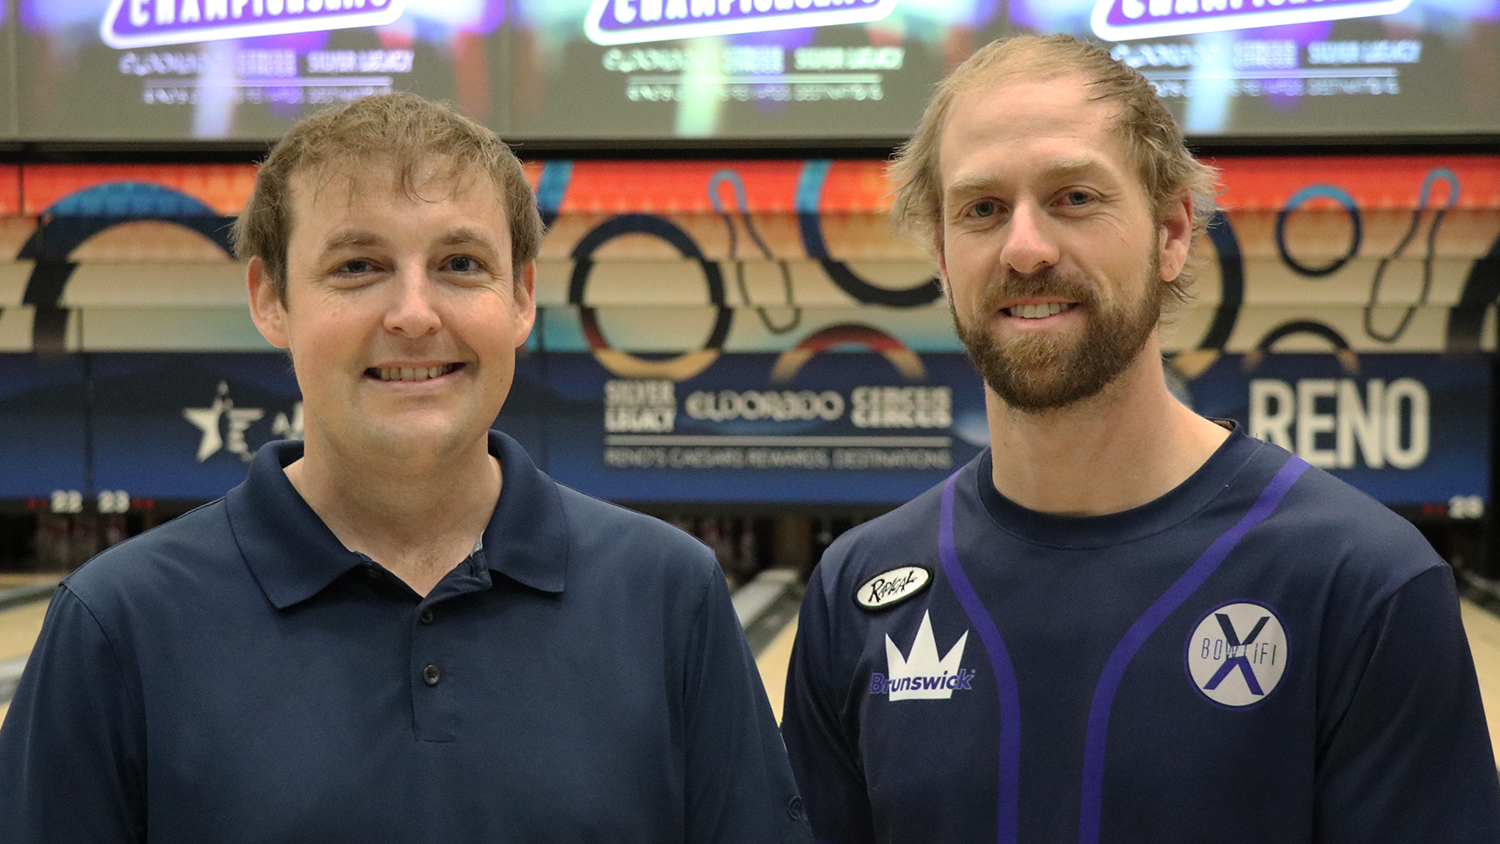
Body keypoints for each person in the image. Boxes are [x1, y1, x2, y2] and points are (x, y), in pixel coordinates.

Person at [0, 92, 812, 843]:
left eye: (461, 264)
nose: (415, 314)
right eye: (358, 266)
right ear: (272, 299)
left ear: (522, 298)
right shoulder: (115, 625)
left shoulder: (672, 597)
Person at [780, 33, 1500, 844]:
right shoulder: (856, 591)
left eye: (1075, 197)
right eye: (981, 210)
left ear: (1172, 233)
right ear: (944, 260)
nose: (1025, 248)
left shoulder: (1363, 586)